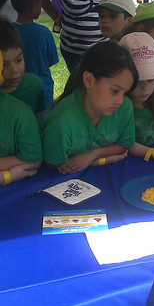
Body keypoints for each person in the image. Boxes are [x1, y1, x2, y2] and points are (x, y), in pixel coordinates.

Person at [41, 41, 138, 174]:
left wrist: (92, 155)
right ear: (89, 80)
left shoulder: (125, 107)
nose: (120, 101)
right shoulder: (62, 122)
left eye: (125, 92)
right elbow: (55, 164)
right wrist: (104, 159)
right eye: (115, 91)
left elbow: (124, 145)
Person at [11, 0, 59, 110]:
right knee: (43, 125)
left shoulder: (8, 32)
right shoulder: (43, 33)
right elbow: (51, 60)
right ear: (34, 7)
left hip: (15, 93)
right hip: (43, 93)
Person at [0, 49, 43, 186]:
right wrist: (6, 176)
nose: (14, 70)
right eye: (6, 64)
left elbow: (33, 160)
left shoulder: (21, 114)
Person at [0, 16, 45, 117]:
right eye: (4, 65)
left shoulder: (34, 86)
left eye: (18, 60)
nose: (14, 70)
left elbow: (36, 117)